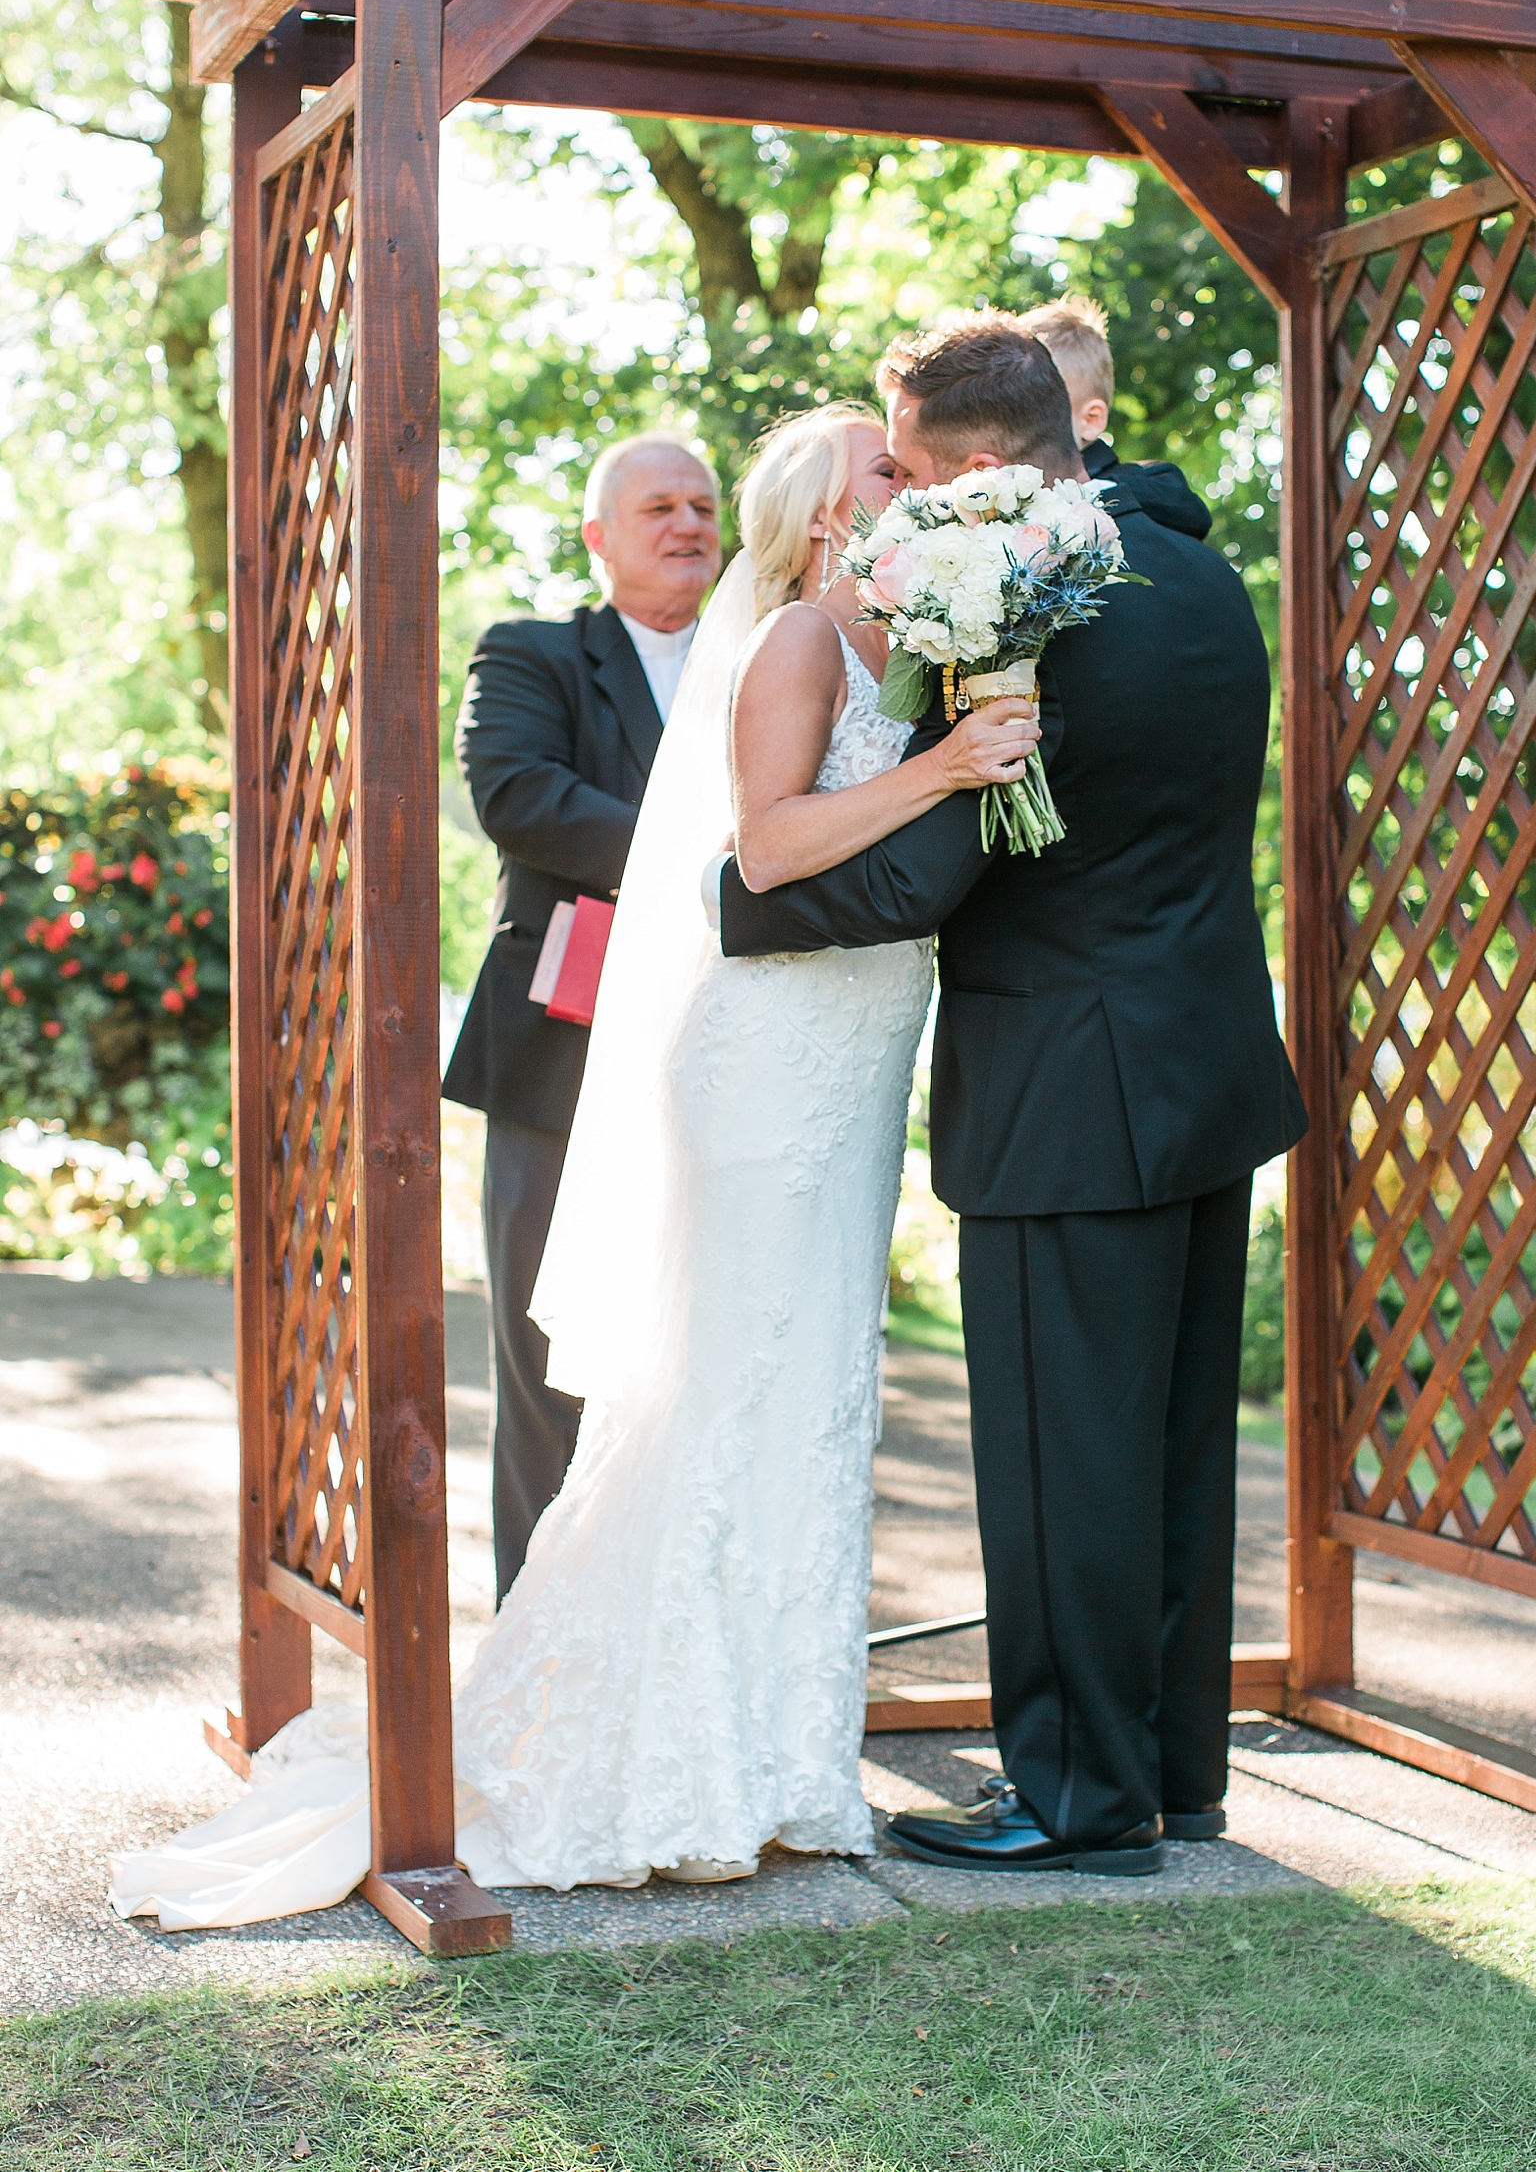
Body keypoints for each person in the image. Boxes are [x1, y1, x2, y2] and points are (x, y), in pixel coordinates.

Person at [111, 401, 1036, 1926]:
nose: (921, 484)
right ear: (819, 515)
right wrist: (938, 775)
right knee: (689, 1389)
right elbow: (745, 844)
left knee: (809, 1397)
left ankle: (775, 1751)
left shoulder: (921, 648)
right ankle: (635, 1735)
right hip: (724, 1050)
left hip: (851, 1060)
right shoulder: (740, 642)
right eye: (891, 468)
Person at [718, 321, 1306, 1877]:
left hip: (1067, 1088)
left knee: (1063, 1458)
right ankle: (1175, 1775)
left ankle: (1076, 1795)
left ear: (981, 468)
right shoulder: (1202, 578)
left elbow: (941, 862)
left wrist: (745, 898)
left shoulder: (1033, 611)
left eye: (907, 468)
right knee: (1175, 1449)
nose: (896, 498)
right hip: (1205, 1071)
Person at [442, 431, 721, 1602]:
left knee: (698, 1363)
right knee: (546, 1366)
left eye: (705, 504)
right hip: (558, 1052)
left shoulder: (765, 656)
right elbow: (520, 799)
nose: (689, 523)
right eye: (659, 505)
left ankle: (669, 1639)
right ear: (601, 536)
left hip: (720, 1060)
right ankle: (532, 1636)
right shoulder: (532, 654)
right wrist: (718, 856)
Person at [1017, 292, 1213, 541]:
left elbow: (1190, 512)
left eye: (1036, 406)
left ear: (1090, 419)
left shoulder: (1142, 482)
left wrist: (1084, 494)